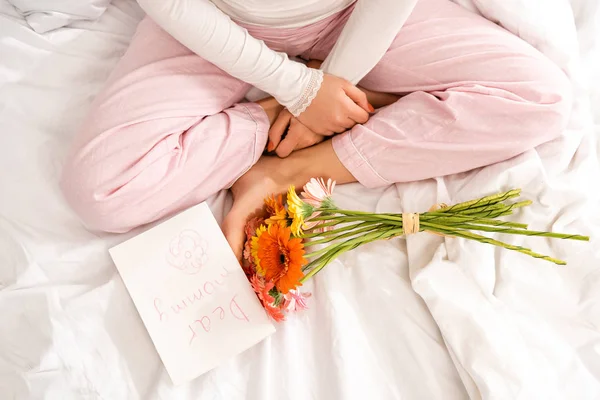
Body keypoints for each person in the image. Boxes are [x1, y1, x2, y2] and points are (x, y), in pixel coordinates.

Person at [60, 0, 572, 259]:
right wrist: (296, 93)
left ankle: (288, 169)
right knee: (103, 191)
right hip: (215, 24)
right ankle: (297, 116)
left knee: (541, 98)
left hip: (353, 17)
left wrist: (334, 80)